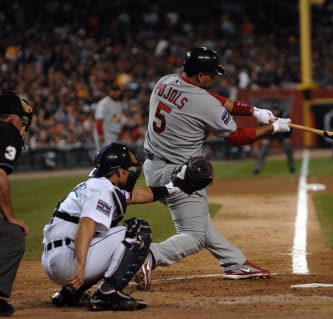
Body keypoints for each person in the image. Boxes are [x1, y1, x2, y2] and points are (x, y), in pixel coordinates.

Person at [138, 47, 291, 290]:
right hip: (181, 175)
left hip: (153, 166)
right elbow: (238, 137)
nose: (214, 78)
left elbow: (210, 99)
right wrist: (275, 128)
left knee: (199, 222)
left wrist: (254, 111)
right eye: (211, 75)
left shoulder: (165, 81)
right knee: (195, 236)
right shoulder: (203, 102)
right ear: (201, 77)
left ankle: (235, 263)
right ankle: (147, 257)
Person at [41, 142, 196, 311]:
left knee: (114, 244)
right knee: (138, 230)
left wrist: (175, 187)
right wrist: (80, 266)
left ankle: (70, 294)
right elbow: (86, 225)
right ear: (118, 170)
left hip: (55, 259)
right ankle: (108, 292)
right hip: (68, 262)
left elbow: (136, 196)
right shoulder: (102, 189)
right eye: (128, 169)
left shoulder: (97, 185)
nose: (130, 173)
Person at [0, 91, 33, 316]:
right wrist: (9, 216)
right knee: (12, 235)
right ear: (11, 117)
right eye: (23, 120)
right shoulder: (7, 130)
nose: (23, 126)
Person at [253, 103, 296, 175]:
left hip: (282, 134)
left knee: (288, 149)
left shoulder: (284, 115)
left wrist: (288, 137)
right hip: (270, 134)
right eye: (274, 109)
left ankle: (292, 168)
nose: (276, 111)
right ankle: (257, 169)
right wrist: (264, 138)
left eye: (277, 109)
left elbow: (290, 126)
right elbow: (262, 127)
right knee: (263, 150)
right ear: (272, 109)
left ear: (280, 109)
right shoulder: (267, 115)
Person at [93, 84, 126, 149]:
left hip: (114, 133)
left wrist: (121, 131)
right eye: (113, 90)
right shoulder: (104, 103)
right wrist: (100, 134)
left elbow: (118, 120)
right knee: (105, 156)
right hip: (105, 132)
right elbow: (99, 120)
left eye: (117, 90)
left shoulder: (119, 103)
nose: (115, 92)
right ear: (109, 91)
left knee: (112, 156)